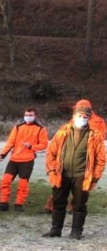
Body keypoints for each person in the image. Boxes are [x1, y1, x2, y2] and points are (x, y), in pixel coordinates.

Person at [43, 100, 105, 239]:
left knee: (79, 204)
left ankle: (76, 231)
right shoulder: (63, 131)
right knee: (58, 203)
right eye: (80, 115)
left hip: (82, 175)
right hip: (61, 173)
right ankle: (55, 230)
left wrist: (94, 177)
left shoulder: (95, 135)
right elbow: (51, 152)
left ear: (89, 117)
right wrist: (52, 170)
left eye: (85, 116)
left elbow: (101, 159)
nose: (82, 118)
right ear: (74, 115)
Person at [0, 108, 48, 212]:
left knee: (23, 184)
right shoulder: (17, 127)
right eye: (26, 114)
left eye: (30, 115)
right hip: (14, 160)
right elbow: (10, 142)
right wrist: (3, 154)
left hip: (27, 161)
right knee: (5, 181)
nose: (28, 116)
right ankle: (3, 204)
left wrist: (31, 146)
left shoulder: (40, 129)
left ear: (35, 116)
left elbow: (44, 145)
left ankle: (19, 204)